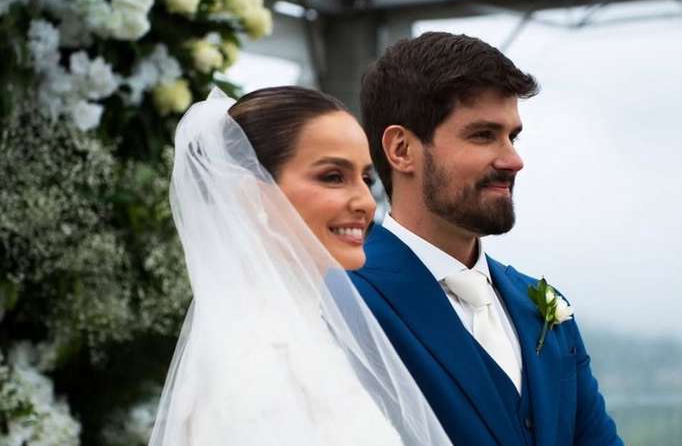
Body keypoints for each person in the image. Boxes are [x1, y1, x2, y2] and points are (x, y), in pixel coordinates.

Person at [349, 32, 624, 445]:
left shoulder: (544, 307)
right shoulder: (344, 301)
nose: (513, 160)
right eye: (482, 135)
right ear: (401, 149)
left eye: (512, 136)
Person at [148, 86, 451, 445]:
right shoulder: (251, 369)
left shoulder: (305, 338)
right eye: (333, 176)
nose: (367, 202)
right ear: (251, 196)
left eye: (366, 179)